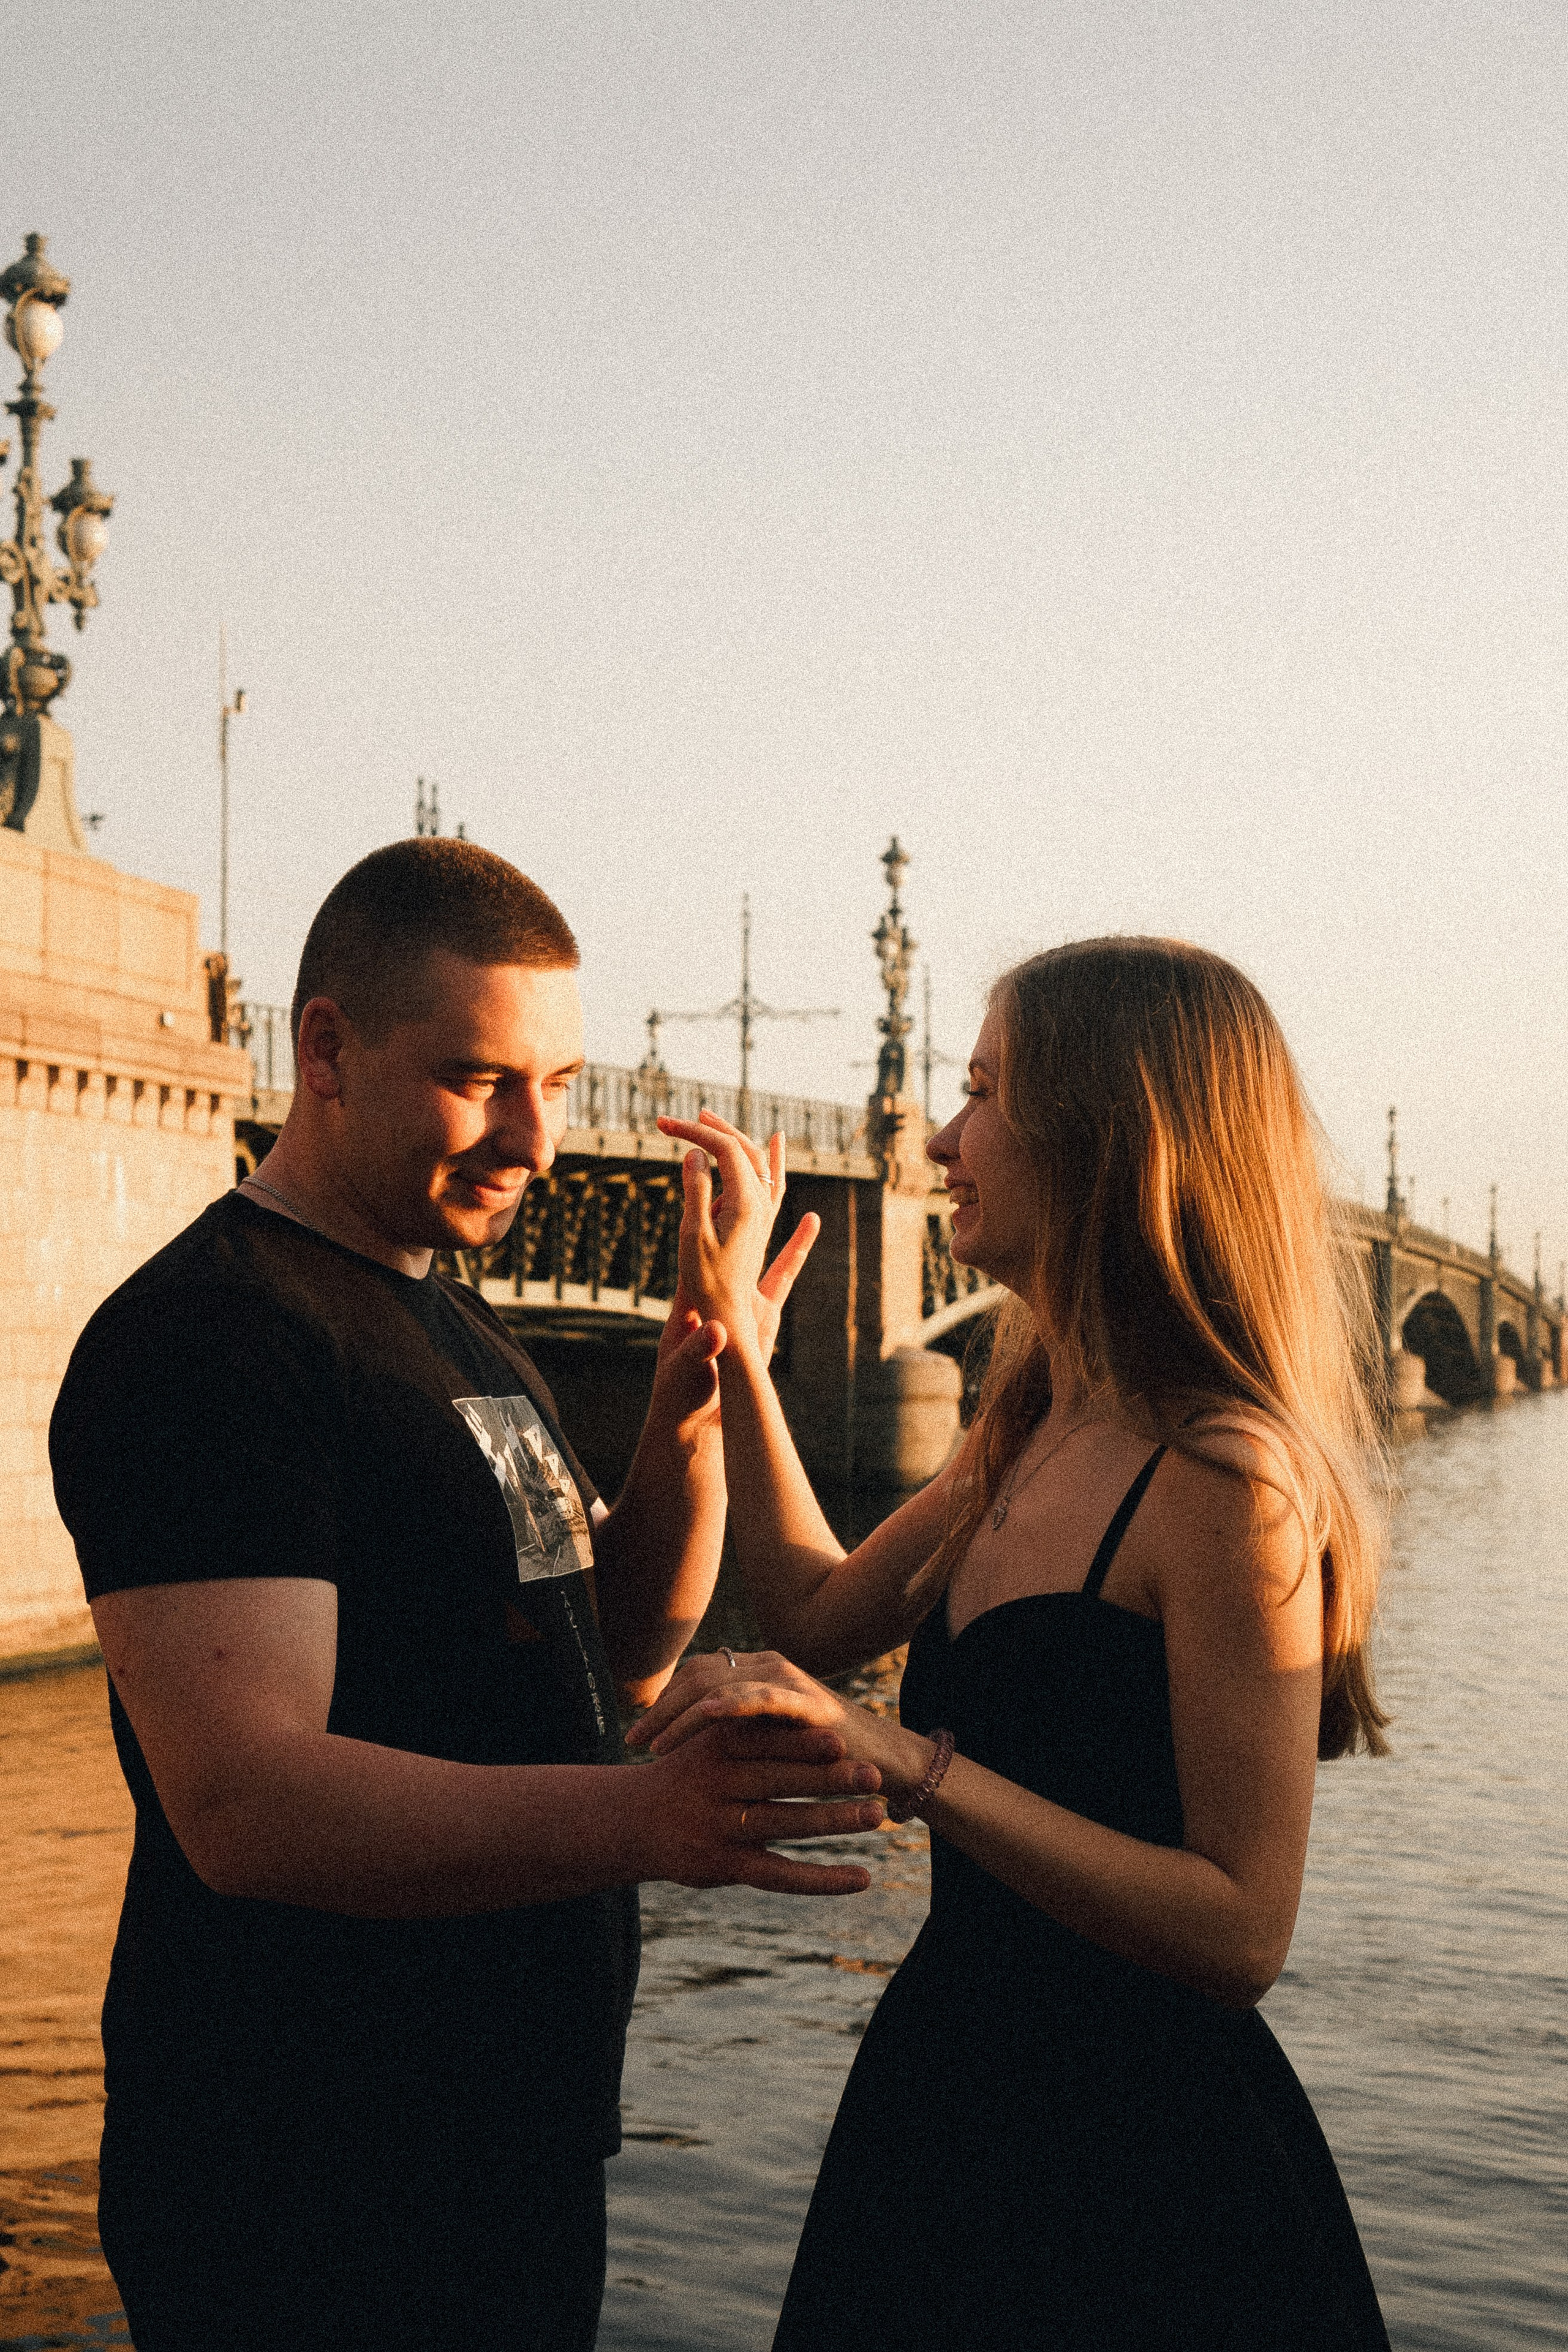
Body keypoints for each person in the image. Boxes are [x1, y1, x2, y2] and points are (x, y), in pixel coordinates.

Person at [48, 838, 887, 2352]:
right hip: (305, 2174)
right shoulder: (213, 1342)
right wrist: (650, 1820)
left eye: (558, 1084)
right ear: (323, 1050)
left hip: (505, 2137)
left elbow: (609, 1665)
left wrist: (690, 1401)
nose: (538, 1141)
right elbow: (245, 1805)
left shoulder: (449, 1321)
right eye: (477, 1079)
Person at [633, 935, 1394, 2351]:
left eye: (981, 1089)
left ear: (1109, 1135)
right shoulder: (1032, 1415)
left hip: (1140, 2168)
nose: (934, 1136)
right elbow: (810, 1611)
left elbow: (1240, 1930)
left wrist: (911, 1765)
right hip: (951, 2091)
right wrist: (736, 1343)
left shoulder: (1226, 1477)